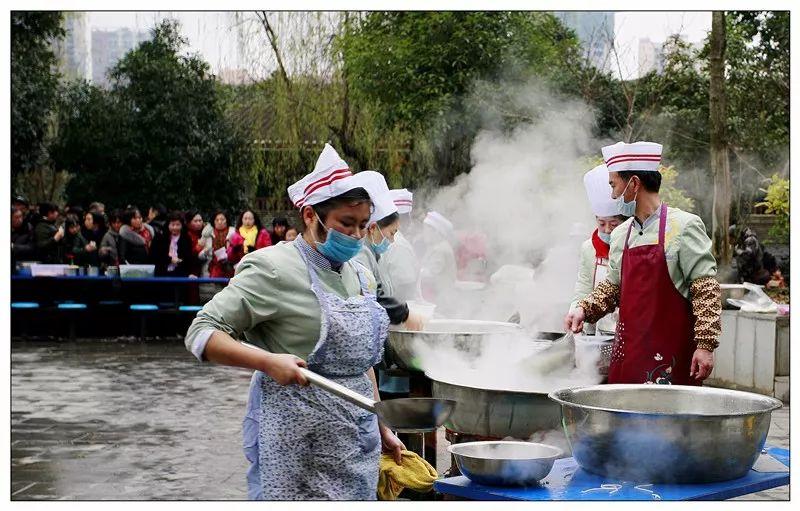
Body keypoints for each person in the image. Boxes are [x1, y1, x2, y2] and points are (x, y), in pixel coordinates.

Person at [184, 144, 405, 500]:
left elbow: (360, 364)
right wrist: (268, 362)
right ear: (309, 215)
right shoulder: (273, 268)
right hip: (295, 444)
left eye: (363, 226)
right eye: (345, 224)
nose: (356, 236)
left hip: (354, 440)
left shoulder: (361, 276)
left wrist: (380, 424)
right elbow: (201, 333)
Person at [565, 141, 722, 385]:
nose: (612, 194)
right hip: (628, 356)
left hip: (671, 357)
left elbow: (705, 290)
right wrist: (584, 308)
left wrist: (705, 345)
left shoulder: (684, 226)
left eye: (613, 185)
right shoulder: (621, 234)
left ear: (634, 184)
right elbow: (614, 287)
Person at [569, 164, 629, 335]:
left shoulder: (636, 245)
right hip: (598, 331)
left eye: (614, 224)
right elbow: (583, 288)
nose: (608, 230)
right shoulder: (589, 248)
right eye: (602, 224)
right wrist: (576, 311)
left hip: (630, 332)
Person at [378, 189, 420, 303]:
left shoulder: (387, 239)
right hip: (400, 311)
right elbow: (405, 286)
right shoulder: (399, 244)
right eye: (408, 217)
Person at [419, 211, 457, 306]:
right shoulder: (436, 247)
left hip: (441, 300)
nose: (423, 233)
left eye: (426, 229)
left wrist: (415, 271)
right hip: (439, 297)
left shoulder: (440, 249)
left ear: (436, 231)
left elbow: (431, 274)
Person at [151, 211, 195, 277]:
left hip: (180, 275)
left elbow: (189, 258)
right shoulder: (159, 237)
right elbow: (154, 256)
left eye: (178, 225)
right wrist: (170, 260)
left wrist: (190, 273)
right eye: (172, 225)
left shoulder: (186, 239)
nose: (175, 227)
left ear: (182, 225)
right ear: (168, 224)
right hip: (162, 275)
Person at [204, 210, 236, 279]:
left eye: (222, 219)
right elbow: (200, 255)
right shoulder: (207, 234)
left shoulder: (234, 233)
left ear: (227, 220)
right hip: (212, 268)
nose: (219, 222)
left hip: (231, 268)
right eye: (217, 220)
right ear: (213, 221)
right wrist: (205, 251)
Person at [185, 210, 208, 277]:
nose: (198, 223)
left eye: (200, 220)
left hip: (203, 268)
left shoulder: (205, 233)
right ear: (188, 223)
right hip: (190, 270)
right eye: (195, 221)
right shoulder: (186, 235)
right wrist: (199, 247)